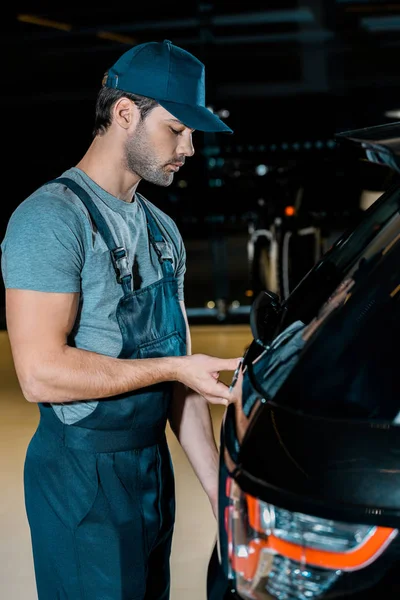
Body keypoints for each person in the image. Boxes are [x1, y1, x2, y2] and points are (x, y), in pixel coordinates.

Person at [0, 39, 239, 600]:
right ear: (126, 114)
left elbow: (181, 380)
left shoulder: (162, 231)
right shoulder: (51, 219)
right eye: (177, 129)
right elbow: (40, 373)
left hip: (149, 468)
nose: (189, 148)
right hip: (83, 476)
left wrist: (216, 493)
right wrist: (173, 368)